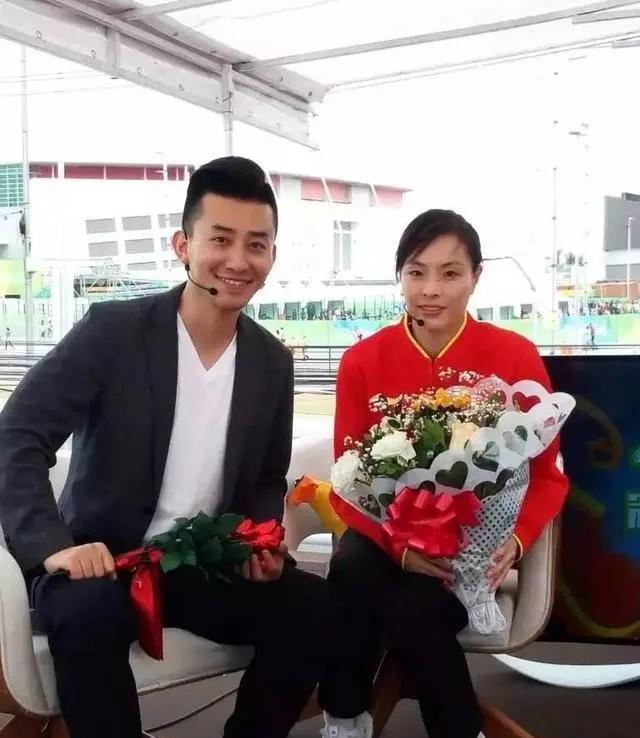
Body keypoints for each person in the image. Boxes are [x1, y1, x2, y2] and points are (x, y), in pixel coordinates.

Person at [0, 157, 330, 738]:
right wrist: (53, 547)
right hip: (101, 562)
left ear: (272, 255)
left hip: (199, 564)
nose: (238, 260)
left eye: (256, 244)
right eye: (220, 240)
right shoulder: (113, 332)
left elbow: (264, 478)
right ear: (183, 245)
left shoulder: (272, 362)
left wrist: (259, 542)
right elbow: (16, 436)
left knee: (314, 608)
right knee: (87, 615)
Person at [318, 209, 569, 738]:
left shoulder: (513, 355)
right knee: (352, 568)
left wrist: (517, 542)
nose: (430, 289)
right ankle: (344, 720)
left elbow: (548, 476)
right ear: (400, 276)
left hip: (467, 551)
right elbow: (346, 484)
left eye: (450, 273)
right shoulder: (363, 361)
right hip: (386, 541)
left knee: (410, 607)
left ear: (476, 277)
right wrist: (399, 551)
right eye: (416, 272)